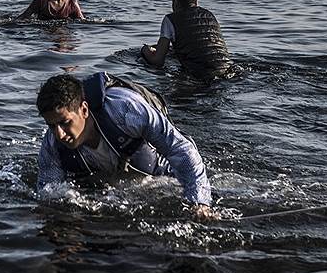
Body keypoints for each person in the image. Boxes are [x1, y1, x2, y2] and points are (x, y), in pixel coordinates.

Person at [35, 72, 216, 220]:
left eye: (65, 123)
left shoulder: (127, 111)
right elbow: (50, 192)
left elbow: (180, 149)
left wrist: (200, 202)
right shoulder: (52, 145)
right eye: (51, 125)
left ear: (83, 110)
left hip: (151, 158)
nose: (59, 134)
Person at [141, 0, 232, 80]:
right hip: (228, 70)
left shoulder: (170, 19)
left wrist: (145, 50)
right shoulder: (209, 15)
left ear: (175, 2)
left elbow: (158, 61)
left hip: (201, 75)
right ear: (196, 2)